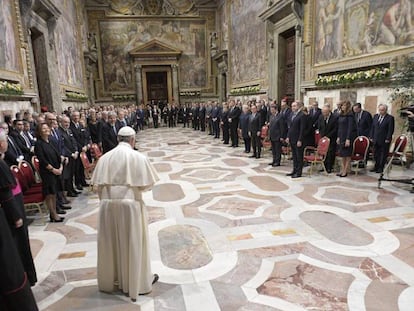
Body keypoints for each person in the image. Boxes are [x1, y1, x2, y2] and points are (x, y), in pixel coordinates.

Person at [91, 126, 159, 302]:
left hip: (107, 206)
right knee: (133, 242)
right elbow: (146, 186)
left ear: (117, 139)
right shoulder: (138, 157)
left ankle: (112, 281)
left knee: (110, 244)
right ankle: (137, 283)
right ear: (133, 140)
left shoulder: (104, 158)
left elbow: (96, 186)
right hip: (130, 206)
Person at [35, 123, 65, 222]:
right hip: (48, 172)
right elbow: (42, 160)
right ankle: (53, 214)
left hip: (56, 169)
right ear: (39, 131)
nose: (46, 130)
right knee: (49, 194)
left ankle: (55, 212)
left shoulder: (51, 141)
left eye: (47, 128)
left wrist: (60, 167)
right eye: (43, 128)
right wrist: (53, 169)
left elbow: (58, 154)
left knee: (55, 192)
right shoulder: (38, 144)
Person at [370, 104, 395, 173]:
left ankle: (381, 168)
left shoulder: (390, 118)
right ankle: (376, 166)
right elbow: (372, 127)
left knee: (383, 154)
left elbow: (390, 129)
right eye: (380, 110)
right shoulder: (375, 116)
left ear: (386, 110)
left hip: (384, 139)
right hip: (375, 138)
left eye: (382, 110)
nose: (381, 111)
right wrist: (371, 136)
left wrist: (388, 138)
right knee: (375, 154)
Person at [336, 100, 358, 177]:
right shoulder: (341, 115)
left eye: (344, 105)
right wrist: (338, 137)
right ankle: (342, 169)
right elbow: (339, 127)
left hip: (348, 137)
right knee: (342, 155)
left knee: (347, 154)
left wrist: (348, 139)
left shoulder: (350, 115)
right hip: (341, 136)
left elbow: (350, 128)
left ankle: (345, 171)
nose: (342, 107)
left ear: (348, 106)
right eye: (342, 105)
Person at [286, 101, 306, 178]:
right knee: (294, 156)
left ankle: (299, 172)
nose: (293, 108)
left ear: (298, 106)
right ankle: (294, 170)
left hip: (298, 139)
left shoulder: (302, 115)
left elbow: (302, 129)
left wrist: (300, 140)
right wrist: (288, 136)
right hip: (292, 138)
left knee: (299, 156)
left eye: (294, 106)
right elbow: (290, 127)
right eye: (292, 106)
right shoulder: (291, 115)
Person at [317, 104, 338, 173]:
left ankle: (329, 167)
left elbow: (335, 129)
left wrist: (328, 136)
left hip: (331, 138)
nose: (324, 114)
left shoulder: (334, 118)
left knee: (330, 152)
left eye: (325, 112)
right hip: (323, 137)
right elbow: (319, 126)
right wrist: (322, 135)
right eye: (323, 112)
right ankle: (324, 165)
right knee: (324, 152)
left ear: (329, 111)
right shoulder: (321, 117)